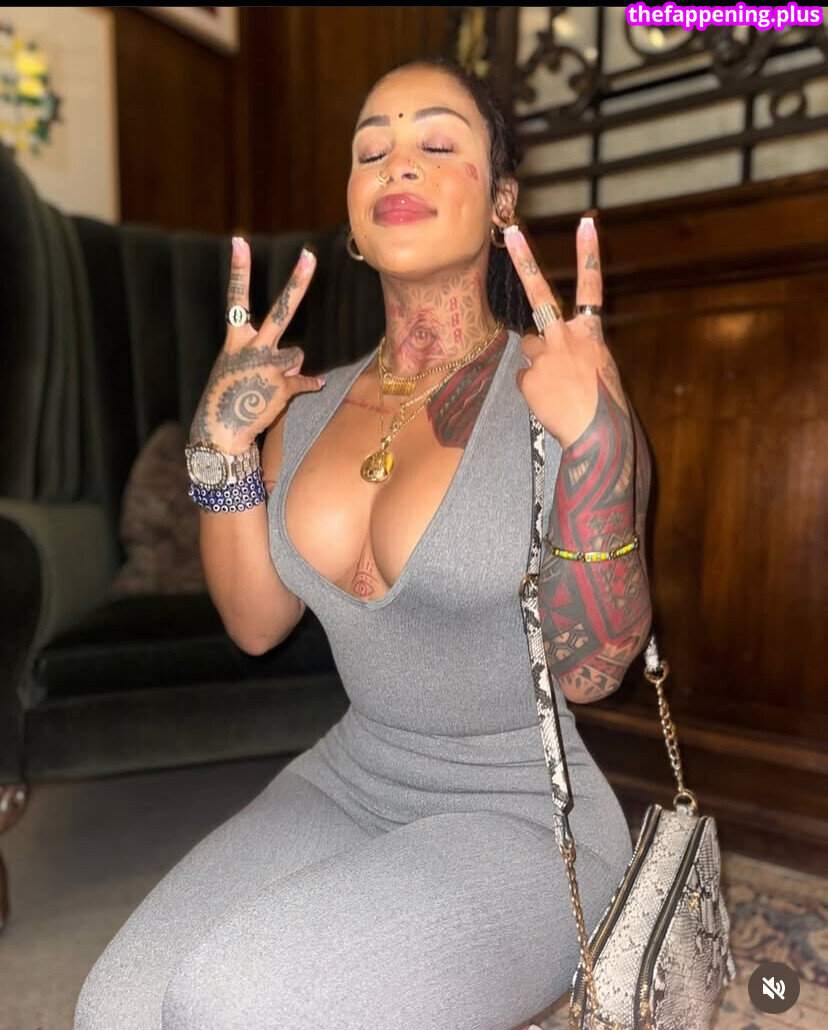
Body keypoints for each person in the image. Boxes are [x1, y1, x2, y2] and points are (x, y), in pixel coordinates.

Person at [74, 54, 653, 1030]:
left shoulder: (562, 385)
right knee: (114, 1007)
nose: (399, 164)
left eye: (439, 144)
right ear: (352, 209)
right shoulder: (306, 406)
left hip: (530, 813)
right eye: (371, 150)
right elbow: (256, 625)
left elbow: (595, 673)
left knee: (233, 1004)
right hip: (350, 777)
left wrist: (596, 447)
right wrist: (222, 444)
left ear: (502, 199)